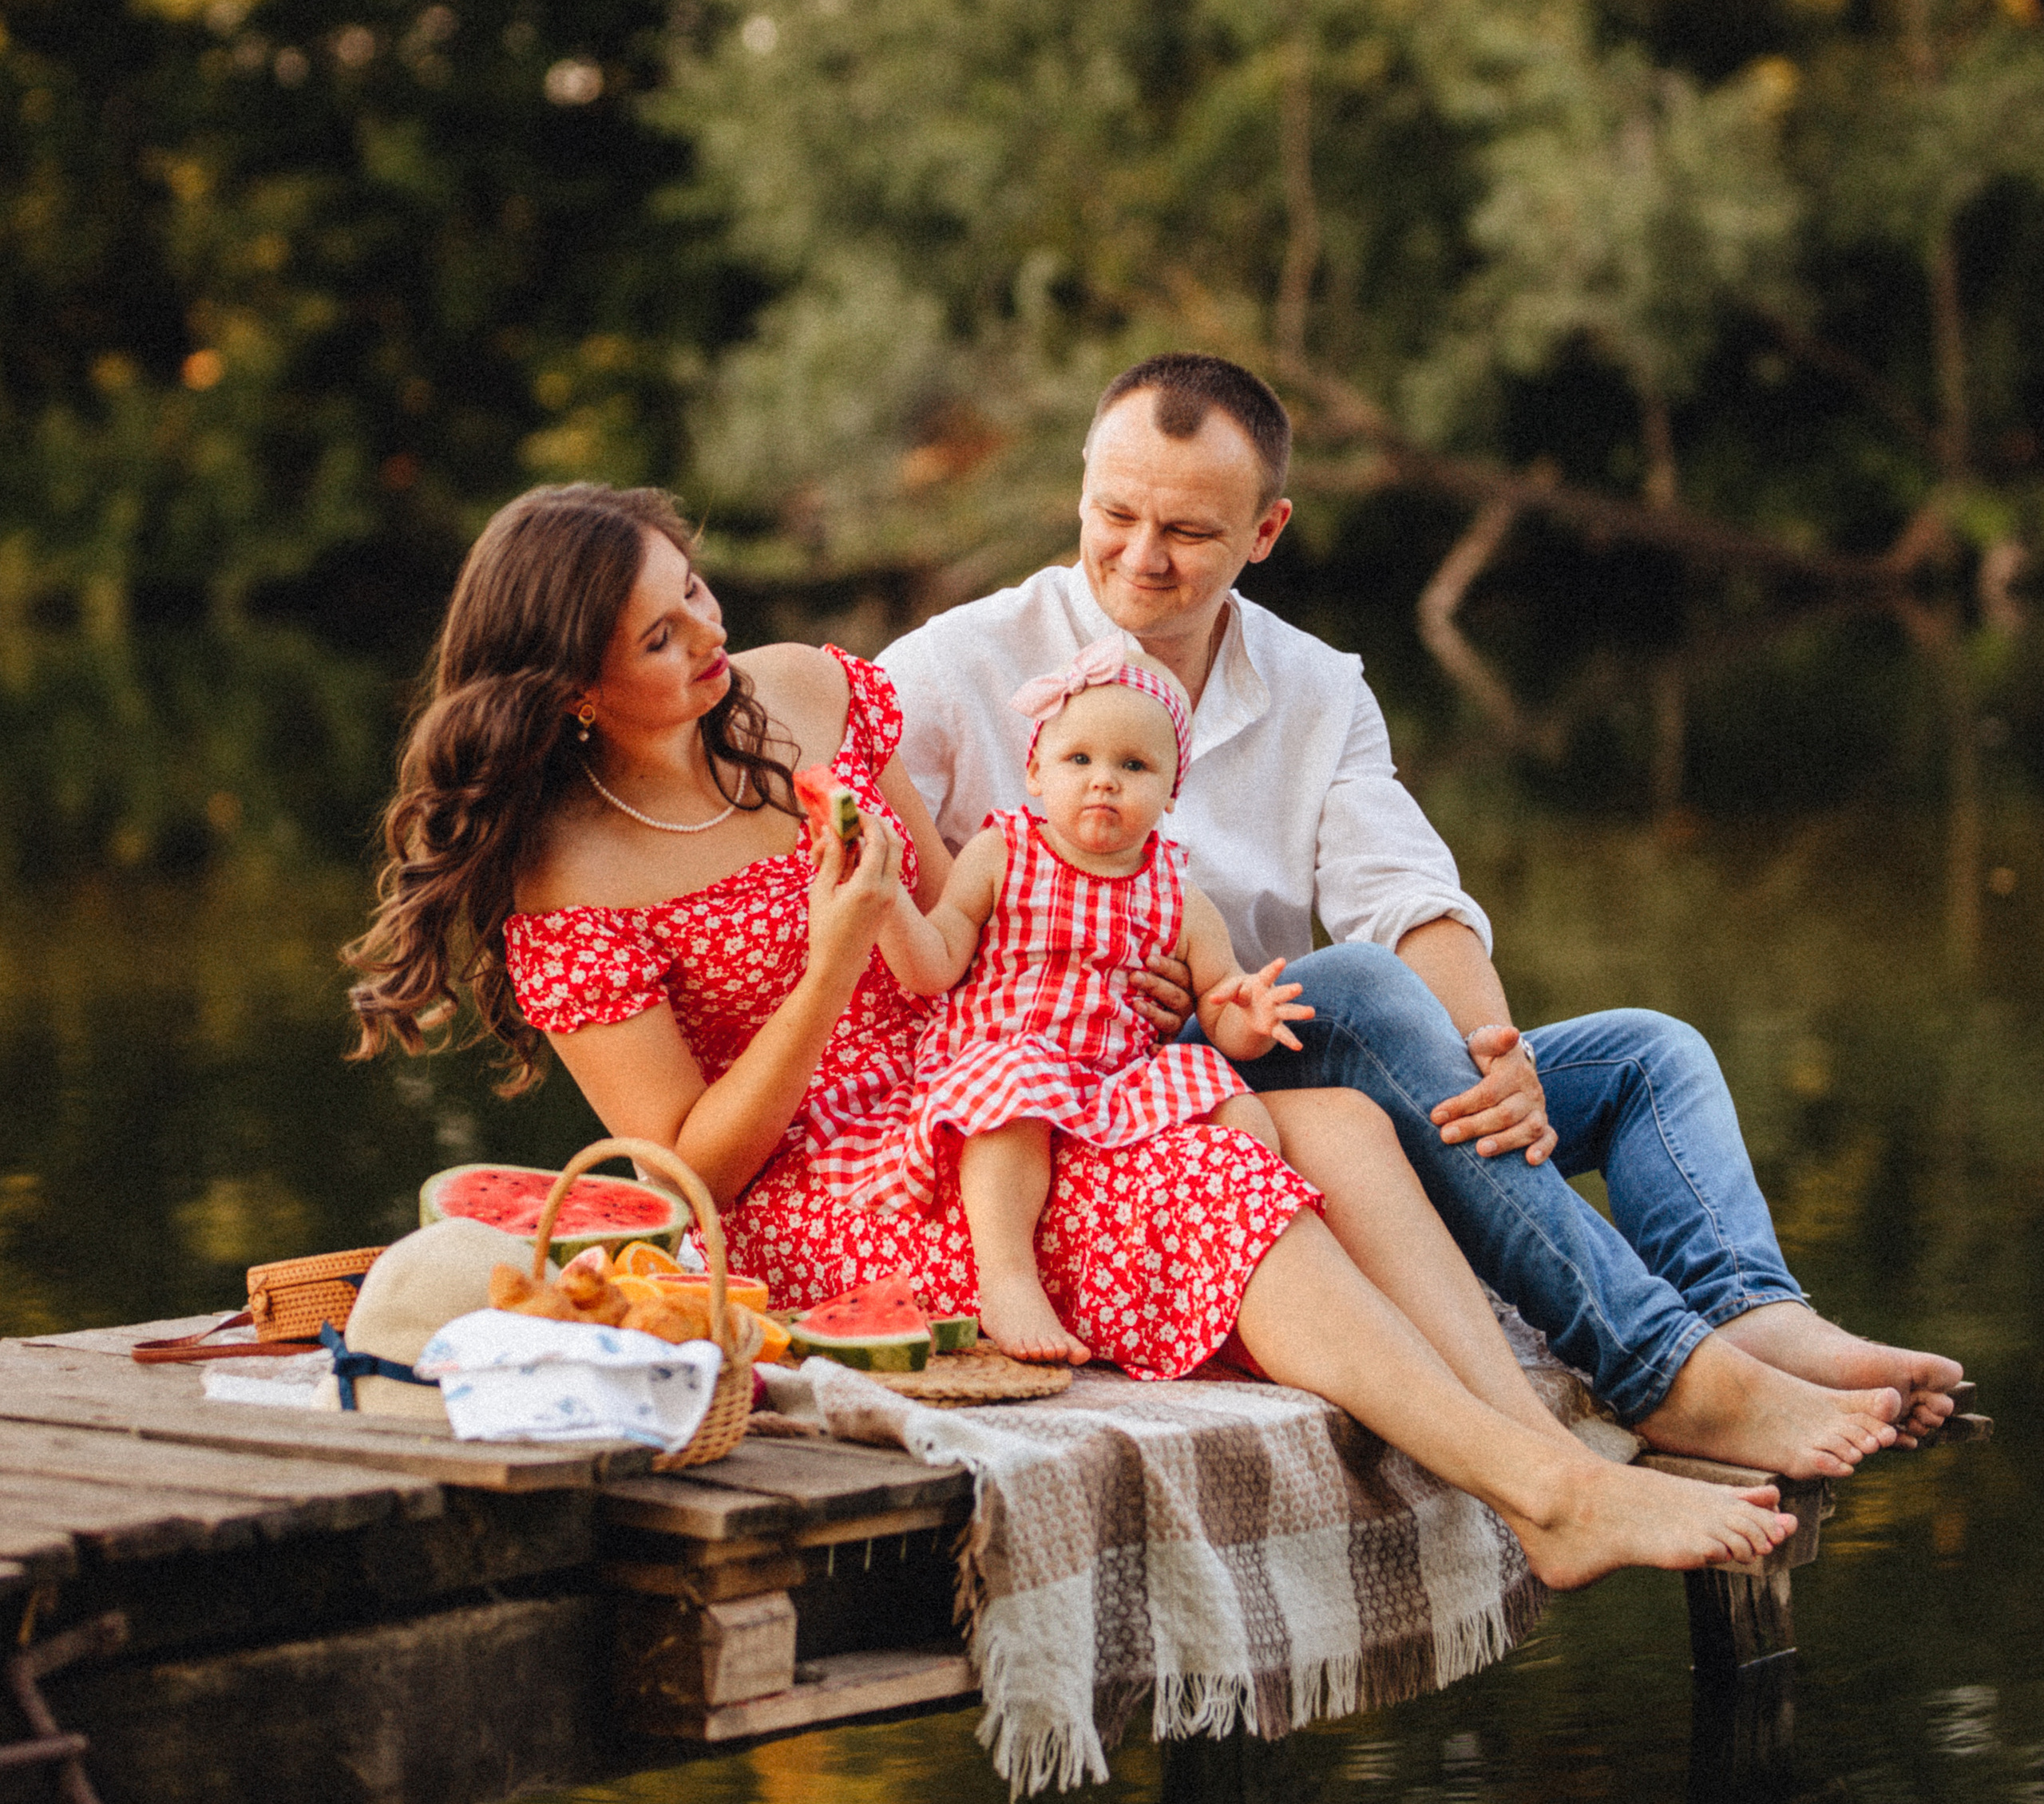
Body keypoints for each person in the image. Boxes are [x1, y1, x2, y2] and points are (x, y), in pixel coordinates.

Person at [344, 479, 1797, 1588]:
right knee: (1206, 1182)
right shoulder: (568, 883)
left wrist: (1139, 984)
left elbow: (958, 932)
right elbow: (682, 1173)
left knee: (1343, 1122)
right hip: (820, 1186)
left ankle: (1544, 1466)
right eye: (662, 635)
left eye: (699, 591)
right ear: (576, 690)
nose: (712, 632)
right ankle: (1552, 1497)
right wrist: (827, 958)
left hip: (980, 1065)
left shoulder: (807, 692)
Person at [880, 353, 1963, 1475]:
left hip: (1284, 1046)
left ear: (1267, 532)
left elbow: (1402, 892)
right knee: (1349, 990)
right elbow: (835, 828)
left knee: (1648, 1052)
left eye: (1189, 533)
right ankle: (1663, 1373)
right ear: (1083, 493)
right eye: (1114, 514)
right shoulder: (961, 664)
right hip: (1099, 1090)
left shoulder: (1317, 686)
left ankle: (1749, 1314)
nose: (1141, 558)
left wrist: (1491, 1050)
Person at [869, 639, 1315, 1365]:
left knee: (1238, 1104)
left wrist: (1250, 1017)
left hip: (1111, 1078)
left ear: (1173, 791)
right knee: (1014, 1094)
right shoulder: (1002, 853)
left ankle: (1236, 1259)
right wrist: (887, 902)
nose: (1103, 782)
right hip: (1004, 1056)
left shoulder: (1180, 896)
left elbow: (1223, 1012)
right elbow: (935, 966)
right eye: (1079, 760)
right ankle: (1006, 1276)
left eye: (1133, 766)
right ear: (1035, 771)